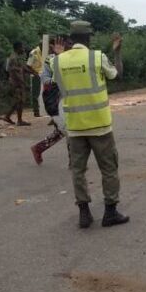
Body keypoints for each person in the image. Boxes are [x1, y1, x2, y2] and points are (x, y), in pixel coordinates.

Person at [53, 21, 128, 229]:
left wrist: (59, 55)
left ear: (70, 39)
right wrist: (117, 53)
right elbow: (117, 76)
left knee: (78, 170)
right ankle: (110, 212)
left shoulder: (58, 61)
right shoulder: (97, 57)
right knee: (109, 169)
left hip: (75, 127)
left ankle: (84, 214)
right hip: (100, 125)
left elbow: (57, 84)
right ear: (88, 38)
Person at [30, 37, 69, 165]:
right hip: (56, 101)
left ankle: (39, 148)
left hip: (66, 100)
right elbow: (46, 80)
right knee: (68, 130)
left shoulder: (71, 58)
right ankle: (74, 161)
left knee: (64, 130)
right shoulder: (50, 59)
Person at [4, 41, 35, 126]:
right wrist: (24, 84)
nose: (23, 49)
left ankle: (9, 117)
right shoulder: (13, 58)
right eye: (22, 47)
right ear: (18, 48)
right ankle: (18, 120)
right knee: (19, 101)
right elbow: (15, 73)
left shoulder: (16, 57)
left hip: (17, 83)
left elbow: (23, 67)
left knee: (18, 101)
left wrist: (33, 72)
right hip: (16, 83)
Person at [27, 41, 45, 117]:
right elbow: (28, 65)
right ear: (40, 45)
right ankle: (36, 111)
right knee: (36, 94)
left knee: (43, 94)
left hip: (43, 75)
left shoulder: (45, 52)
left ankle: (43, 110)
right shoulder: (34, 52)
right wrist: (35, 73)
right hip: (36, 75)